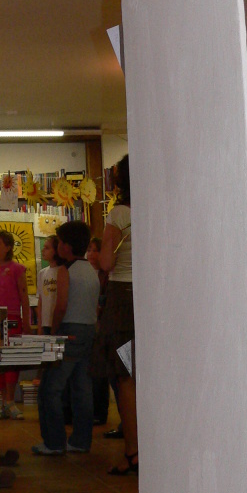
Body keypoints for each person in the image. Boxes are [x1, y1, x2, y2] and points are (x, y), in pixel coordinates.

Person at [32, 220, 100, 455]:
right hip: (88, 330)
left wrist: (55, 330)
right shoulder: (91, 270)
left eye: (59, 242)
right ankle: (81, 440)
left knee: (50, 388)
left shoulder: (65, 271)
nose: (58, 246)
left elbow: (60, 305)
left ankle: (54, 442)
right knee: (82, 388)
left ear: (67, 246)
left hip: (69, 330)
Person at [98, 154, 137, 476]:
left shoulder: (121, 213)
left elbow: (107, 263)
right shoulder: (158, 208)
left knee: (127, 376)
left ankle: (133, 451)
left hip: (124, 301)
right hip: (154, 299)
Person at [0, 229, 31, 420]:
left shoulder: (17, 269)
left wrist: (27, 322)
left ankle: (10, 400)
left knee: (11, 360)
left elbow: (24, 296)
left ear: (8, 247)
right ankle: (4, 402)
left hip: (12, 319)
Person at [86, 235, 114, 428]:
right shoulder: (85, 273)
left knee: (101, 371)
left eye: (96, 250)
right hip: (89, 324)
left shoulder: (107, 276)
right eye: (89, 250)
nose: (91, 254)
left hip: (103, 326)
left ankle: (100, 411)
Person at [36, 235, 63, 336]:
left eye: (47, 248)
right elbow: (40, 300)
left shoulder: (63, 271)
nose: (43, 250)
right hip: (46, 323)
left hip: (60, 323)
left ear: (56, 250)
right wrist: (40, 326)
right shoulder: (42, 273)